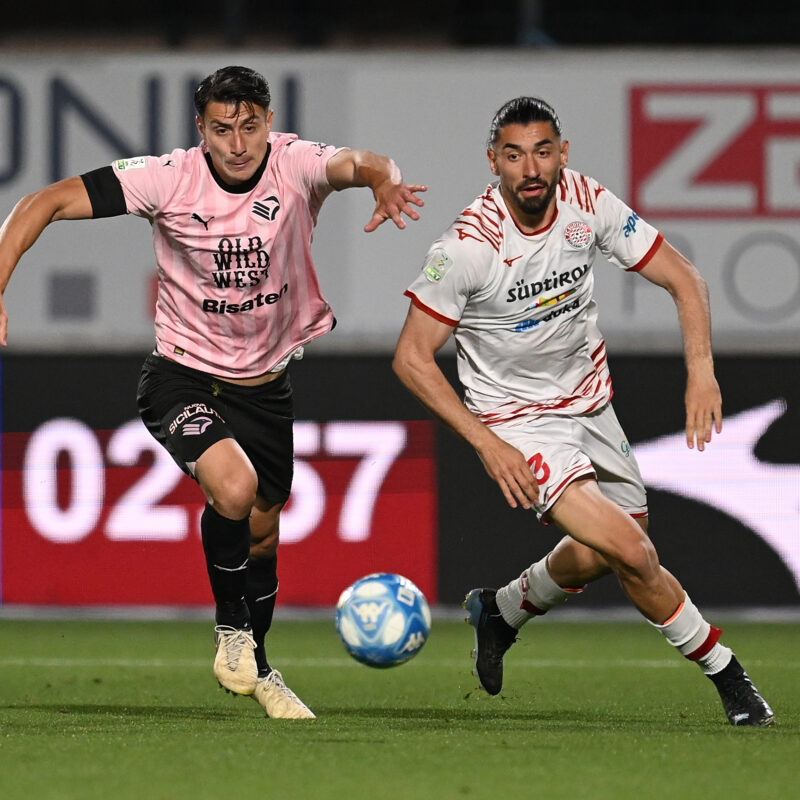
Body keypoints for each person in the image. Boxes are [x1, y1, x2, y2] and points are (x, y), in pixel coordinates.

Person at [0, 65, 426, 719]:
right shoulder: (167, 177)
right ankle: (233, 633)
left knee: (261, 535)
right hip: (182, 377)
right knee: (233, 488)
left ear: (268, 123)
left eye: (250, 127)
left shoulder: (295, 165)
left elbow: (360, 163)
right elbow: (45, 202)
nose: (237, 142)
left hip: (267, 389)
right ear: (201, 129)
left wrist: (383, 178)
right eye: (222, 128)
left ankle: (258, 661)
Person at [392, 96, 774, 727]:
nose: (531, 168)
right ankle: (729, 676)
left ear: (563, 154)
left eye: (543, 151)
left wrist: (701, 371)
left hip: (592, 407)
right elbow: (411, 358)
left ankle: (502, 610)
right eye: (514, 155)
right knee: (631, 549)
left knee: (605, 550)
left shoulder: (587, 203)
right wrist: (487, 443)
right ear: (494, 162)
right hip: (520, 422)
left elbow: (686, 279)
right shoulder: (466, 249)